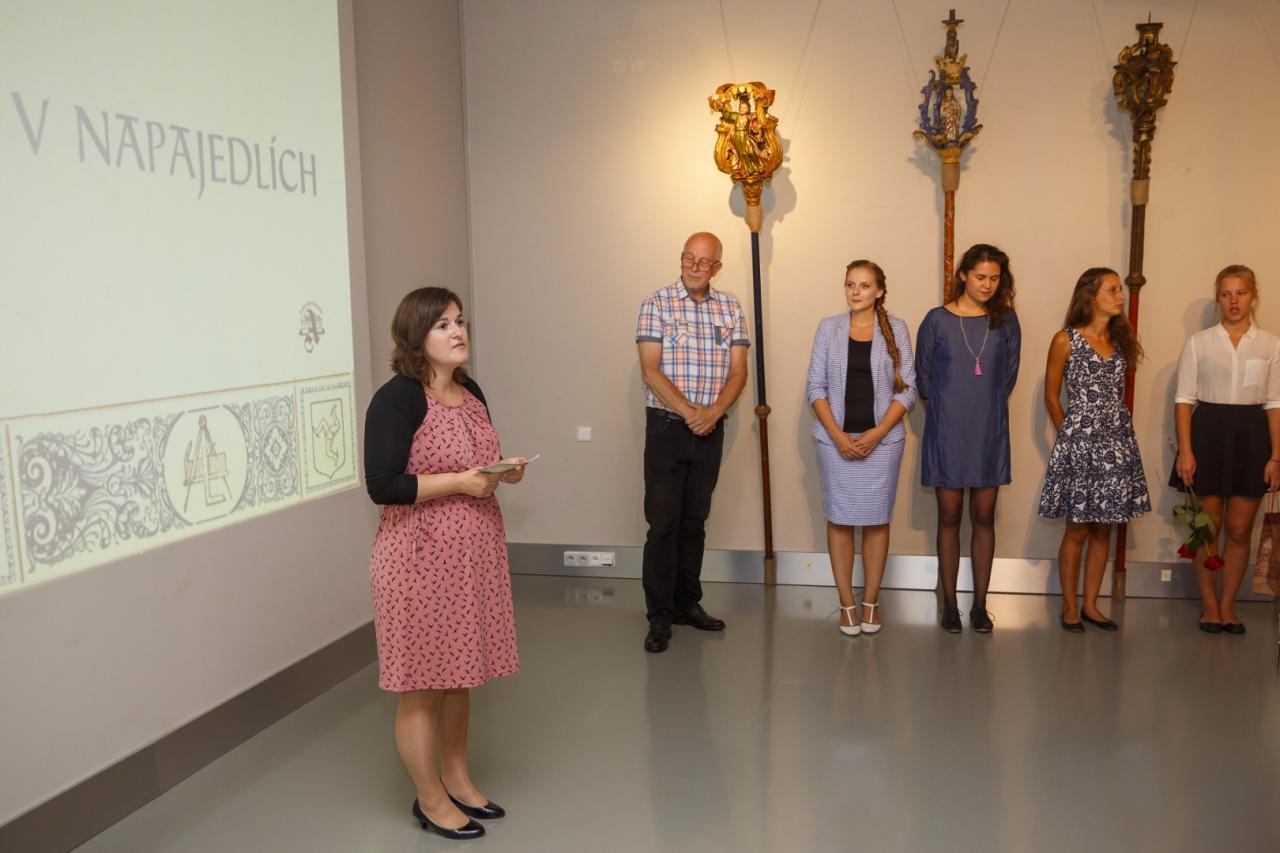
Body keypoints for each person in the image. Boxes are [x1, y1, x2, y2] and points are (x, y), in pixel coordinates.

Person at [363, 287, 526, 840]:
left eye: (460, 321)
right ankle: (430, 799)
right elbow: (383, 485)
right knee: (423, 686)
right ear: (416, 338)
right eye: (442, 325)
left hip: (471, 560)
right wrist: (461, 482)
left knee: (461, 677)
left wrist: (502, 471)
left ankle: (457, 780)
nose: (458, 332)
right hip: (418, 562)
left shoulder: (470, 390)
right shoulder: (397, 399)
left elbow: (477, 463)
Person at [635, 231, 749, 653]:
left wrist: (713, 413)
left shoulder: (731, 308)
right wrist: (691, 413)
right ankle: (659, 616)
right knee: (663, 525)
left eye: (704, 262)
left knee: (695, 522)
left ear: (717, 267)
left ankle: (687, 604)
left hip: (710, 430)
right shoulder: (656, 303)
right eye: (689, 258)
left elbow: (739, 371)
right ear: (681, 258)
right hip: (667, 428)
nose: (695, 267)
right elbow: (650, 370)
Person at [805, 260, 916, 636]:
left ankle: (870, 602)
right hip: (835, 442)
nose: (856, 291)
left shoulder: (896, 329)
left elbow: (908, 388)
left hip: (883, 444)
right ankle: (846, 605)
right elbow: (815, 386)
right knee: (839, 520)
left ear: (880, 291)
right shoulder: (828, 328)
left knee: (877, 520)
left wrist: (878, 433)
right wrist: (837, 435)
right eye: (850, 284)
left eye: (865, 285)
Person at [1038, 268, 1150, 632]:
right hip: (1080, 444)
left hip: (1116, 441)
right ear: (1091, 296)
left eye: (1120, 290)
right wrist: (1070, 437)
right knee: (1077, 529)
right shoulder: (1065, 340)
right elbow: (1051, 396)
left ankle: (1091, 605)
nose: (1120, 296)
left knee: (1104, 529)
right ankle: (1069, 606)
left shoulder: (1121, 341)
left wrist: (1113, 438)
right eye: (1112, 290)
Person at [916, 243, 1021, 633]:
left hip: (988, 432)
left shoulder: (1006, 321)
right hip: (946, 432)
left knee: (983, 517)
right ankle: (949, 604)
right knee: (948, 517)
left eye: (994, 278)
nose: (987, 285)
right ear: (963, 275)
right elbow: (924, 379)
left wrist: (983, 408)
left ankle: (979, 606)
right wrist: (949, 412)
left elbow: (1007, 377)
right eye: (980, 277)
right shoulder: (936, 320)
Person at [1171, 265, 1280, 634]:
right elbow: (1184, 400)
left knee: (1238, 529)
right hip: (1208, 436)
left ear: (1253, 296)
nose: (1234, 301)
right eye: (1226, 293)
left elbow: (1275, 403)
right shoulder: (1199, 343)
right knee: (1207, 529)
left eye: (1241, 293)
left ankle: (1229, 605)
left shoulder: (1271, 345)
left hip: (1252, 438)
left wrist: (1276, 456)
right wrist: (1186, 451)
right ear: (1218, 298)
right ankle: (1209, 606)